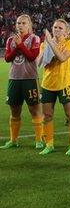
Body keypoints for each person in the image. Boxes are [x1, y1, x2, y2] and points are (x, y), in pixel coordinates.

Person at [36, 19, 70, 155]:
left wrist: (51, 42)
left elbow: (61, 58)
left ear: (66, 32)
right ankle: (49, 145)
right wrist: (47, 45)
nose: (56, 29)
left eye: (60, 28)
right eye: (55, 27)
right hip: (48, 84)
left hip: (65, 83)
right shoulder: (45, 44)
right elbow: (39, 63)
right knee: (47, 116)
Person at [1, 14, 44, 149]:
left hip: (30, 79)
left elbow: (32, 57)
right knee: (14, 111)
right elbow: (7, 58)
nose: (20, 25)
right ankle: (13, 140)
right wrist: (17, 47)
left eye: (23, 23)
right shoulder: (10, 40)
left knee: (34, 110)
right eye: (18, 23)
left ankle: (39, 140)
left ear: (29, 25)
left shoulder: (34, 39)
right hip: (14, 79)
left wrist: (20, 45)